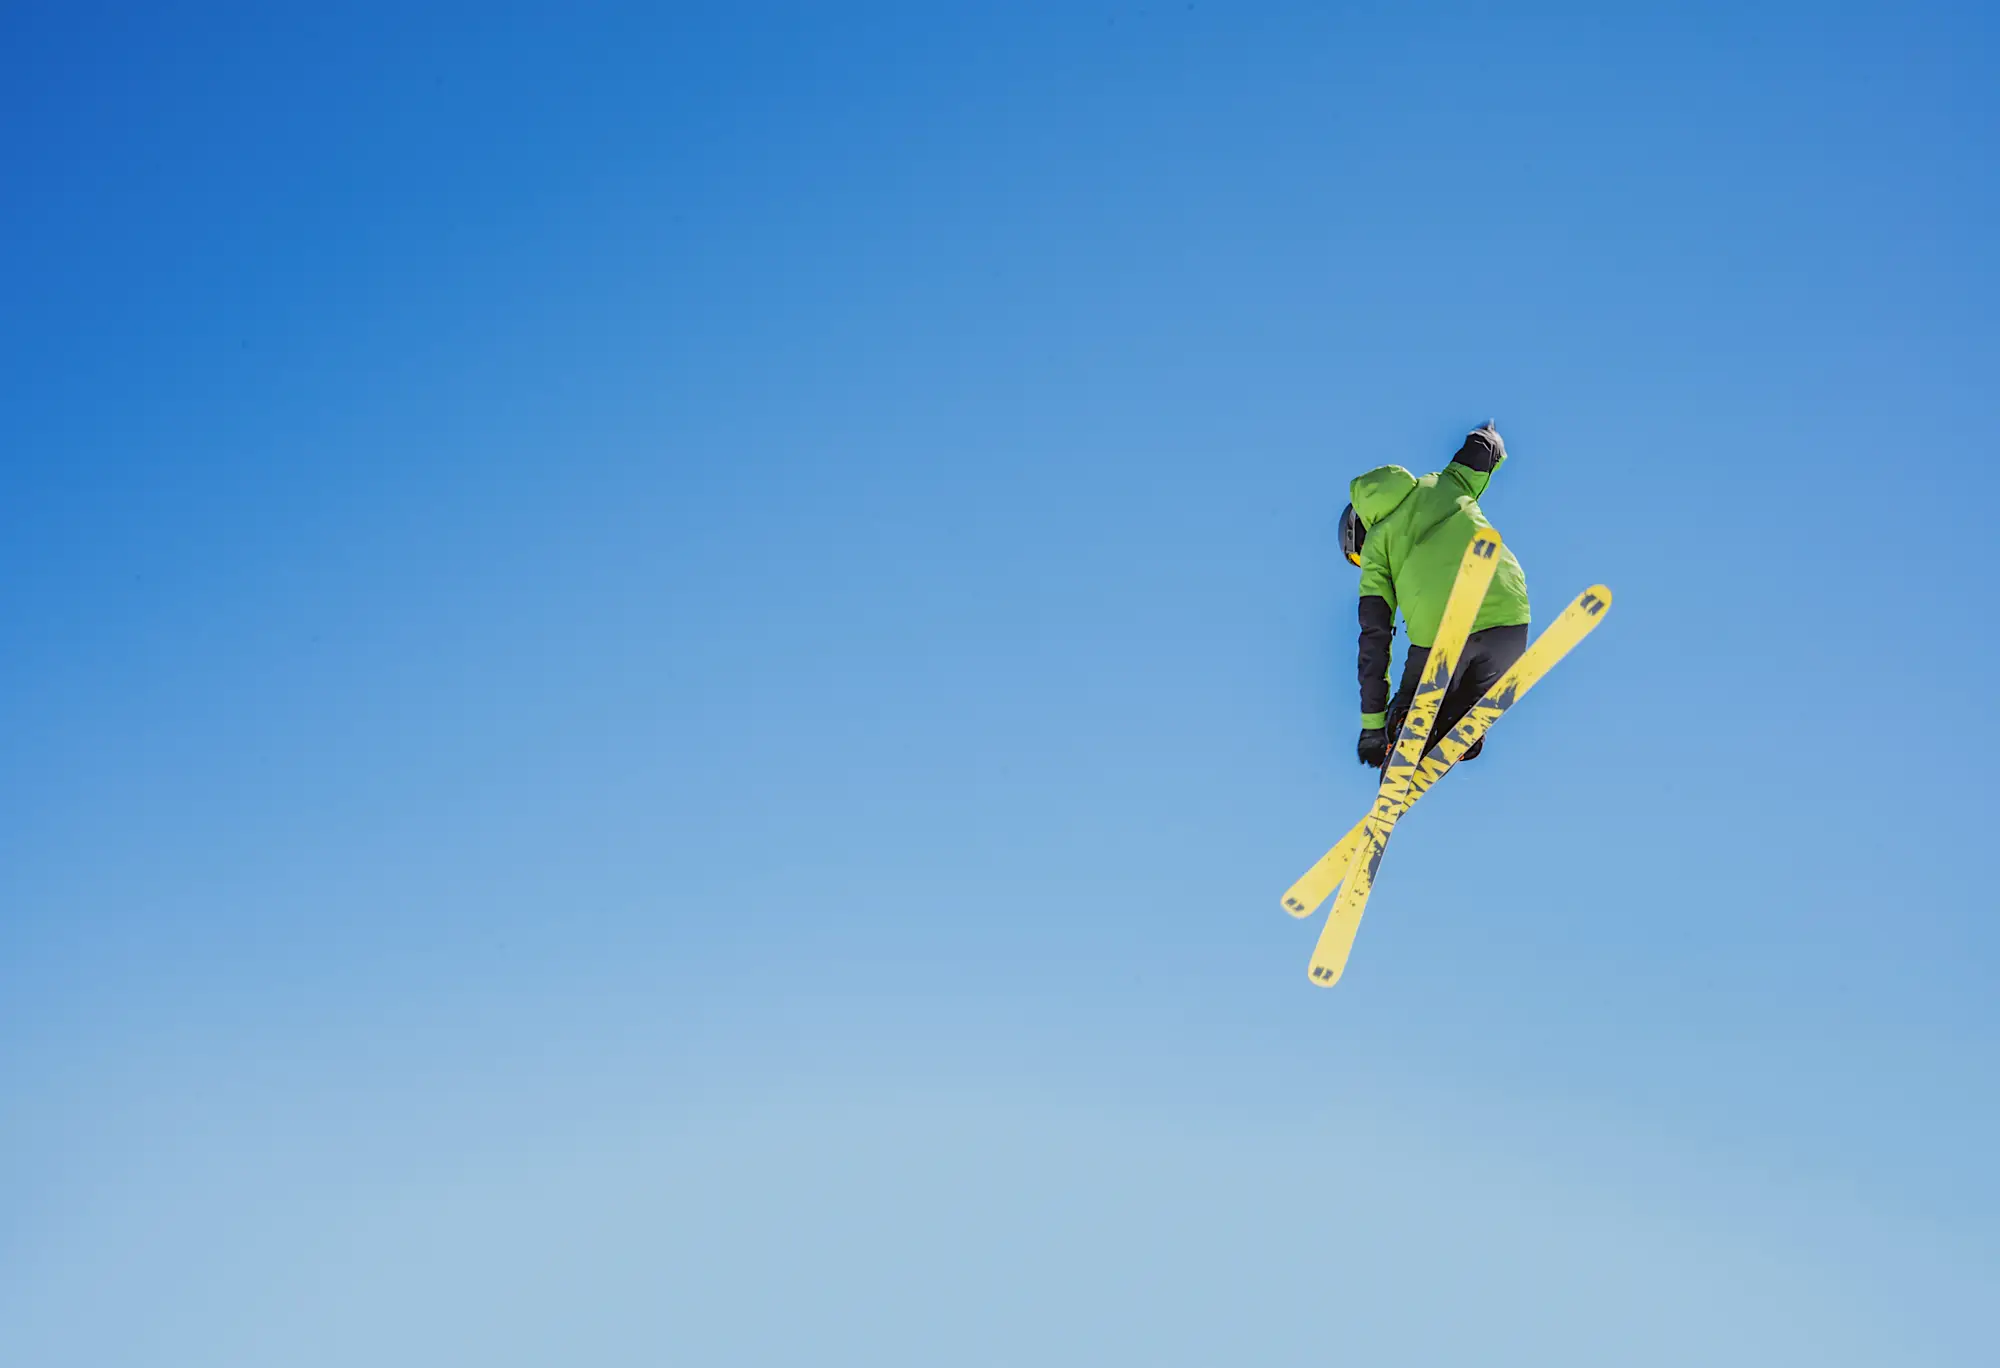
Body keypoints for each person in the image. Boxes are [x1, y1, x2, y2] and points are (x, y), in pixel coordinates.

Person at [1338, 422, 1532, 774]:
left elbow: (1374, 640)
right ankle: (1457, 730)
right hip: (1510, 622)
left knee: (1407, 708)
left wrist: (1373, 727)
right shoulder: (1444, 482)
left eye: (1356, 557)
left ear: (1360, 529)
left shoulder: (1377, 547)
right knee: (1461, 708)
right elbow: (1481, 453)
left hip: (1445, 634)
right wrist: (1488, 434)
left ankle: (1406, 726)